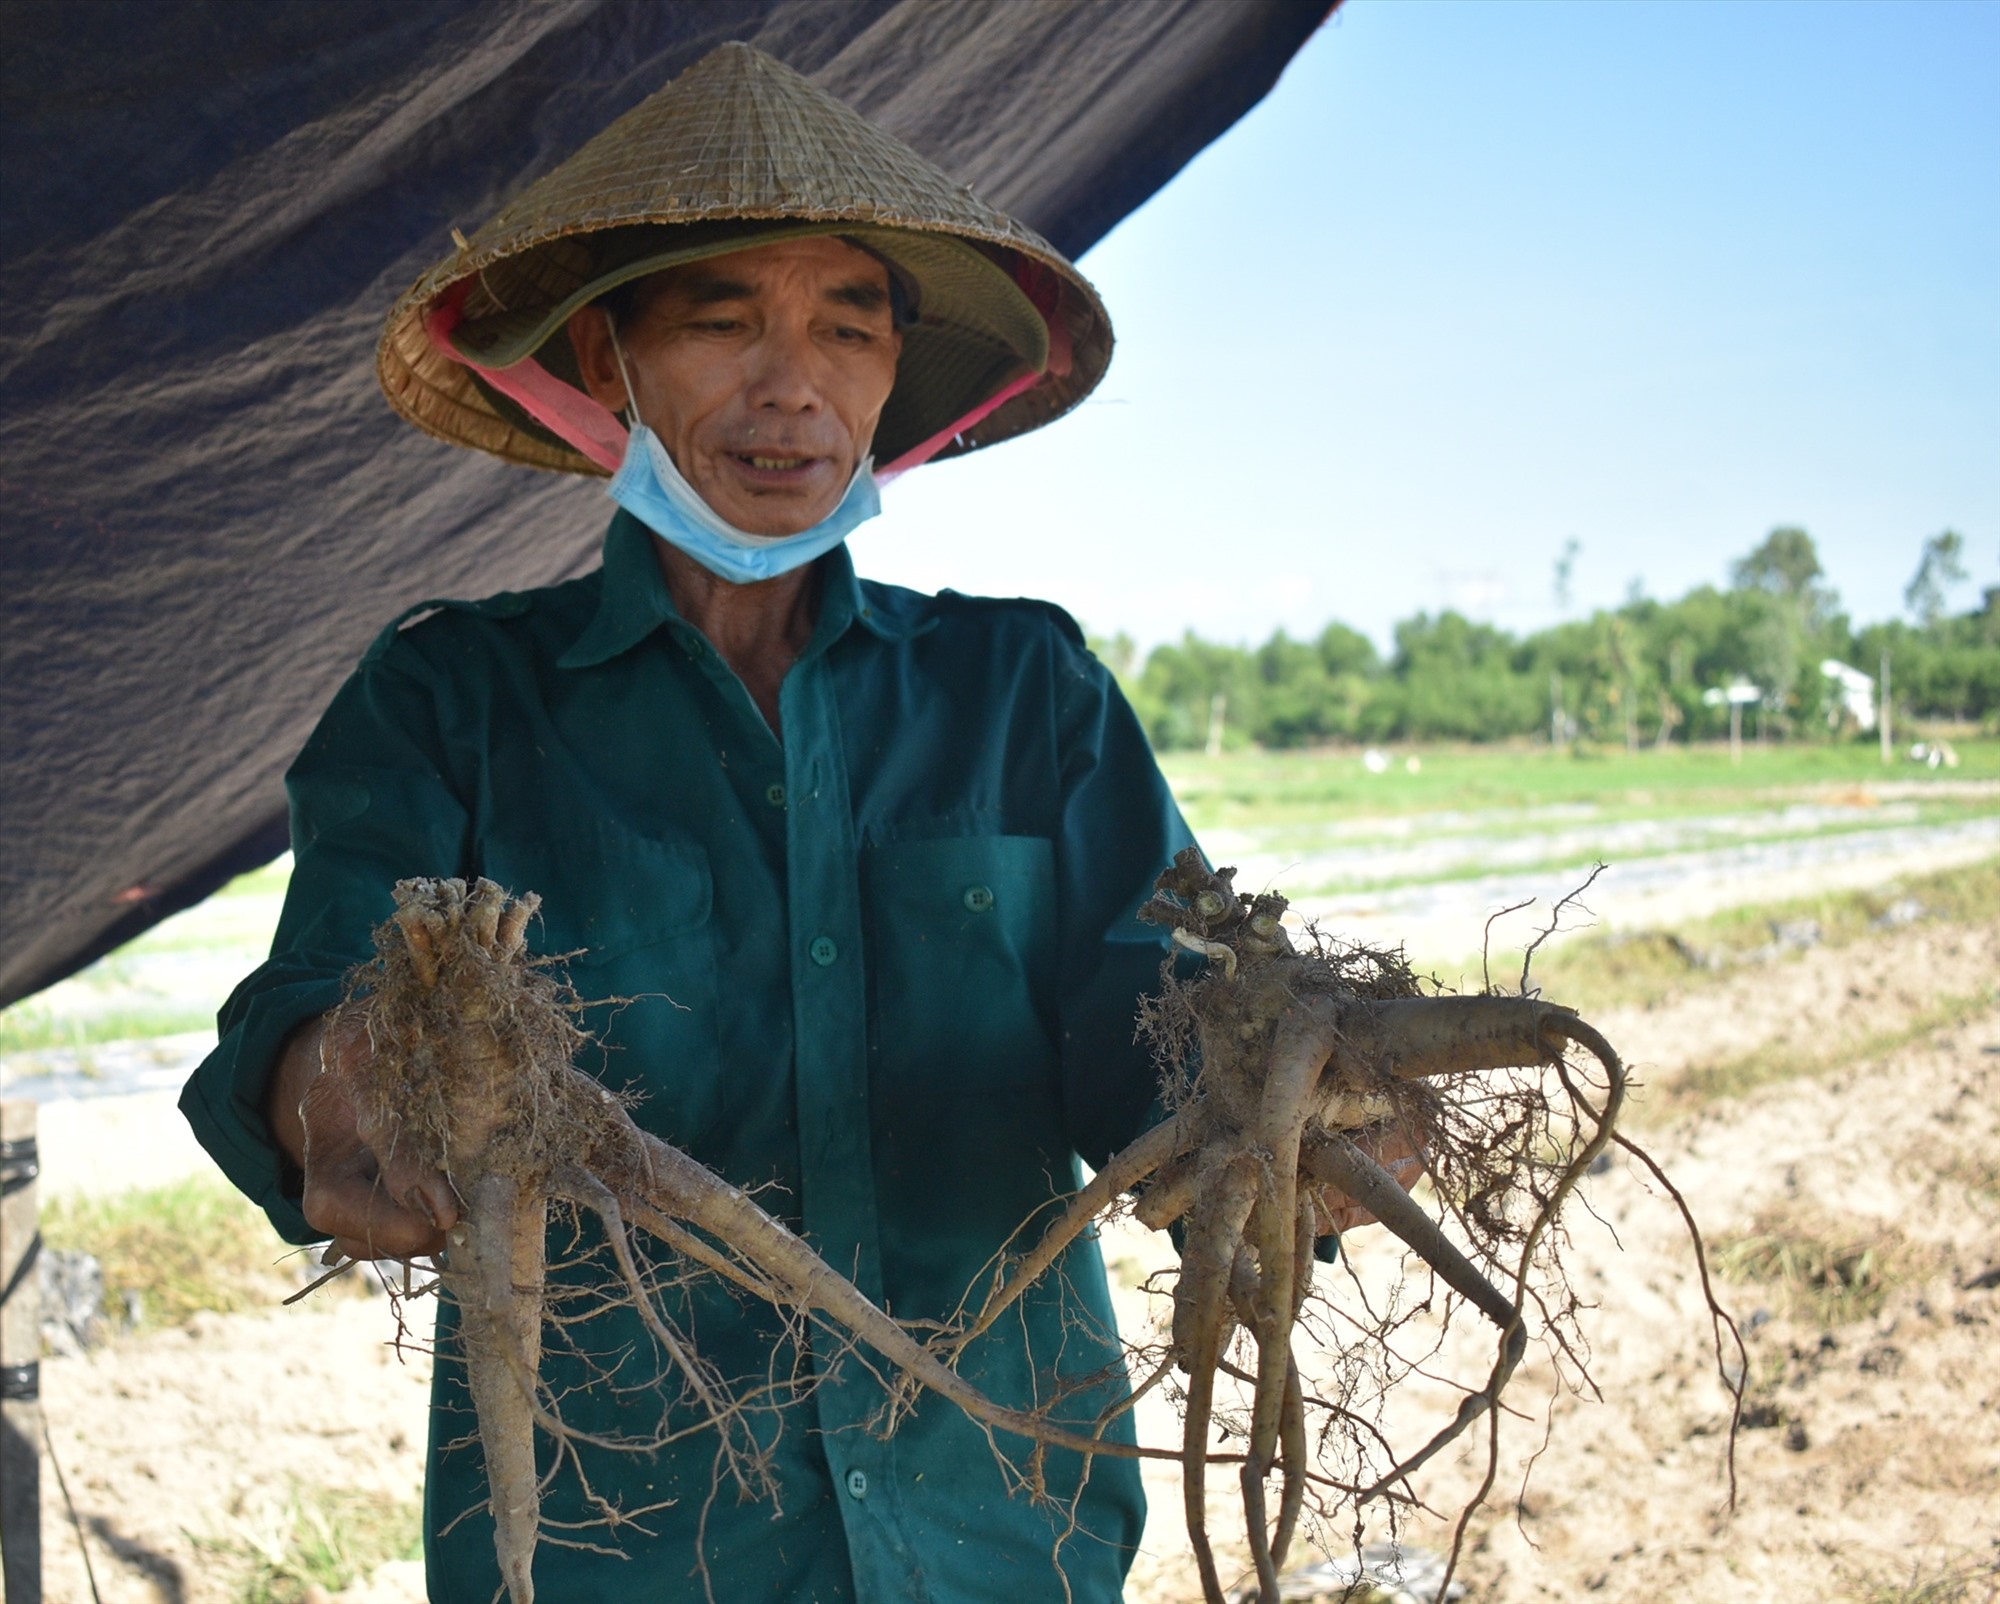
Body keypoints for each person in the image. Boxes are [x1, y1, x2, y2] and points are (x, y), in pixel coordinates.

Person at [181, 43, 1409, 1603]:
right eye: (721, 322)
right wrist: (358, 1095)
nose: (794, 387)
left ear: (898, 377)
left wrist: (1288, 1111)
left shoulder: (1022, 686)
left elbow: (1141, 1033)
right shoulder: (453, 702)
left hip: (1003, 1527)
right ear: (611, 359)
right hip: (612, 1549)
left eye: (849, 326)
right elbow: (304, 1024)